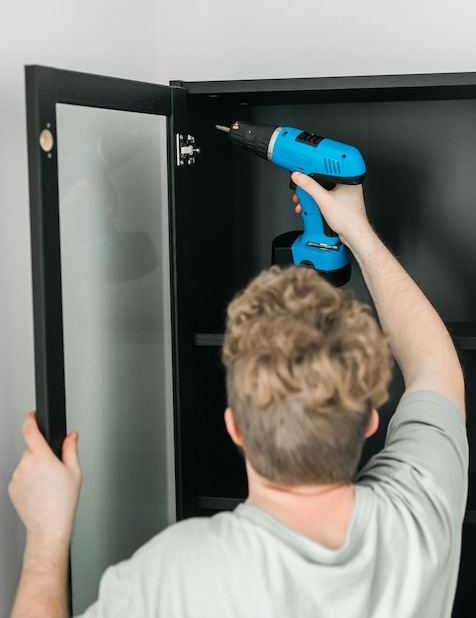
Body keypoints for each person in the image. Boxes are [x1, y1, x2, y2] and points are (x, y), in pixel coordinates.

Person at [9, 172, 468, 618]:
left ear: (235, 426)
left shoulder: (177, 573)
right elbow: (433, 364)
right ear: (371, 420)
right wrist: (358, 232)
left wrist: (47, 535)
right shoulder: (419, 514)